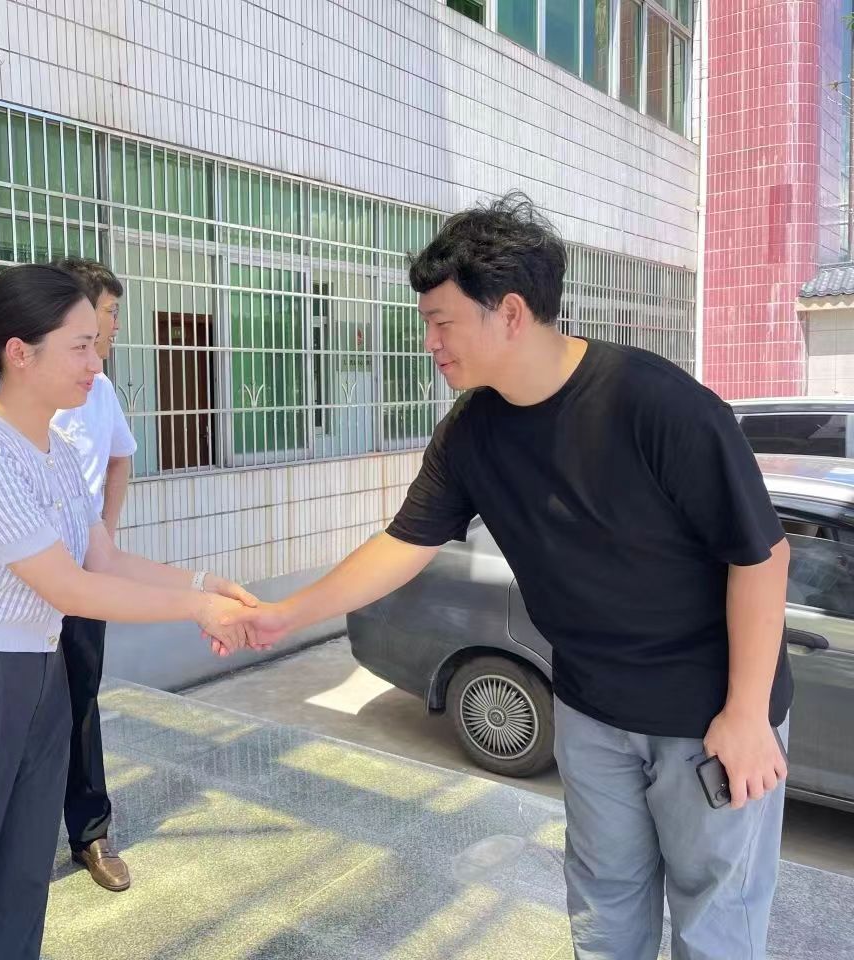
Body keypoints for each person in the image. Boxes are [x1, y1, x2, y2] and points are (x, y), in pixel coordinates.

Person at [224, 194, 793, 960]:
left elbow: (761, 555)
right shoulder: (473, 430)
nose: (429, 342)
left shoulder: (656, 404)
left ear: (512, 313)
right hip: (592, 709)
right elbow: (405, 542)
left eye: (442, 322)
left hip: (709, 714)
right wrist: (285, 613)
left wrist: (748, 715)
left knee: (715, 924)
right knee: (604, 908)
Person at [0, 264, 257, 960]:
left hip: (38, 678)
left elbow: (102, 558)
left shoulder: (55, 451)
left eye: (96, 344)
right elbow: (67, 588)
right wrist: (194, 608)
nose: (96, 363)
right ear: (20, 352)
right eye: (80, 346)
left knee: (16, 884)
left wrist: (206, 584)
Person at [48, 257, 137, 891]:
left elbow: (119, 459)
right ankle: (13, 837)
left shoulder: (100, 389)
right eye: (109, 312)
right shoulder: (14, 388)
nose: (115, 325)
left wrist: (101, 534)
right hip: (24, 581)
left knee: (81, 701)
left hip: (84, 576)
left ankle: (90, 833)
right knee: (21, 708)